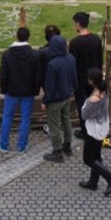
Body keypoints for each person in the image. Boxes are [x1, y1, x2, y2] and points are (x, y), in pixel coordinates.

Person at [0, 27, 38, 153]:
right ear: (28, 37)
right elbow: (37, 74)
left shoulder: (7, 54)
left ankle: (4, 144)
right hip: (28, 91)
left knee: (7, 116)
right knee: (26, 118)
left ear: (16, 36)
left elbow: (3, 74)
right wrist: (35, 90)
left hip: (11, 91)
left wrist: (3, 89)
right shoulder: (34, 54)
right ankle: (22, 146)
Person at [78, 67, 111, 196]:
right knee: (96, 156)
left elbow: (84, 115)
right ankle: (93, 182)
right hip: (102, 127)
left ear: (91, 81)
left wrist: (86, 104)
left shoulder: (93, 100)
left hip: (94, 131)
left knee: (88, 159)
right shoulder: (104, 90)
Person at [41, 34, 77, 162]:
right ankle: (67, 145)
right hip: (67, 96)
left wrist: (45, 101)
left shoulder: (52, 64)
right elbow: (74, 77)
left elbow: (49, 86)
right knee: (66, 121)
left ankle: (57, 151)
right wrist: (73, 91)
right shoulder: (71, 58)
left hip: (55, 100)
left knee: (54, 125)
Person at [68, 11, 103, 139]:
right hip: (94, 79)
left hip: (80, 80)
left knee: (83, 107)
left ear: (78, 24)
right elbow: (100, 60)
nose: (73, 26)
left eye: (74, 23)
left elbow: (72, 64)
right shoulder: (96, 39)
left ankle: (85, 131)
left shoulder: (75, 43)